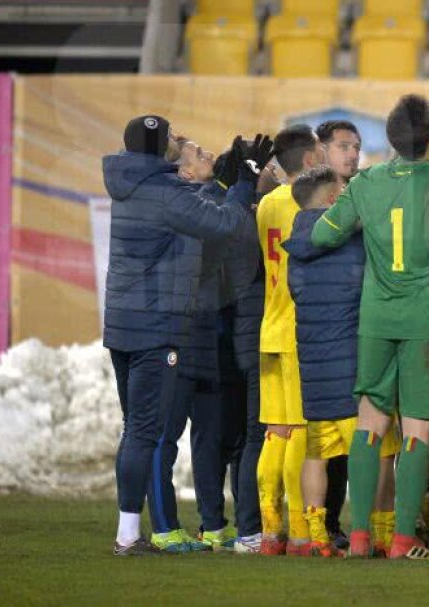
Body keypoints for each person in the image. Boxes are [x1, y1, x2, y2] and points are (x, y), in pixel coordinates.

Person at [311, 94, 429, 560]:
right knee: (418, 428)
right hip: (426, 321)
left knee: (370, 423)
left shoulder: (366, 184)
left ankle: (359, 537)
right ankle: (403, 540)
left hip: (377, 318)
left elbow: (323, 234)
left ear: (391, 140)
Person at [102, 115, 270, 555]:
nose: (180, 141)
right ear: (163, 152)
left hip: (122, 322)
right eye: (175, 139)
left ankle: (131, 532)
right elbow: (228, 225)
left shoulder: (129, 185)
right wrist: (244, 183)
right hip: (156, 326)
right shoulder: (166, 193)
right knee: (148, 433)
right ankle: (135, 536)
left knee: (136, 431)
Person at [148, 140, 261, 553]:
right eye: (198, 153)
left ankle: (214, 525)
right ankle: (163, 529)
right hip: (178, 332)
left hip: (209, 333)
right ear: (185, 172)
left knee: (209, 436)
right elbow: (220, 222)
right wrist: (239, 185)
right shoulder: (181, 203)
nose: (207, 154)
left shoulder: (202, 198)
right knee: (166, 436)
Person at [282, 166, 397, 557]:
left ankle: (316, 535)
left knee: (317, 452)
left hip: (314, 366)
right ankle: (380, 535)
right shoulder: (354, 238)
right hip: (355, 363)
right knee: (380, 450)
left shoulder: (296, 244)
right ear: (333, 199)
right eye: (345, 190)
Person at [255, 125, 328, 556]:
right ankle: (301, 533)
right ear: (307, 160)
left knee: (276, 433)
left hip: (271, 326)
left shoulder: (265, 205)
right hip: (300, 329)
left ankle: (270, 531)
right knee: (301, 431)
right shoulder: (306, 204)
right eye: (320, 153)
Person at [220, 158, 279, 554]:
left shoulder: (248, 216)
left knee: (250, 435)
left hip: (250, 336)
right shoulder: (252, 219)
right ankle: (249, 529)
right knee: (256, 434)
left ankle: (251, 526)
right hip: (256, 337)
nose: (273, 170)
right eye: (267, 166)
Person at [315, 119, 364, 548]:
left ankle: (328, 523)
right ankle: (305, 525)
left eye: (356, 146)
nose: (352, 154)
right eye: (343, 146)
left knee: (344, 439)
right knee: (311, 437)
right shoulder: (310, 203)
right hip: (317, 333)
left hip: (352, 330)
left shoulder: (361, 197)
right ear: (322, 150)